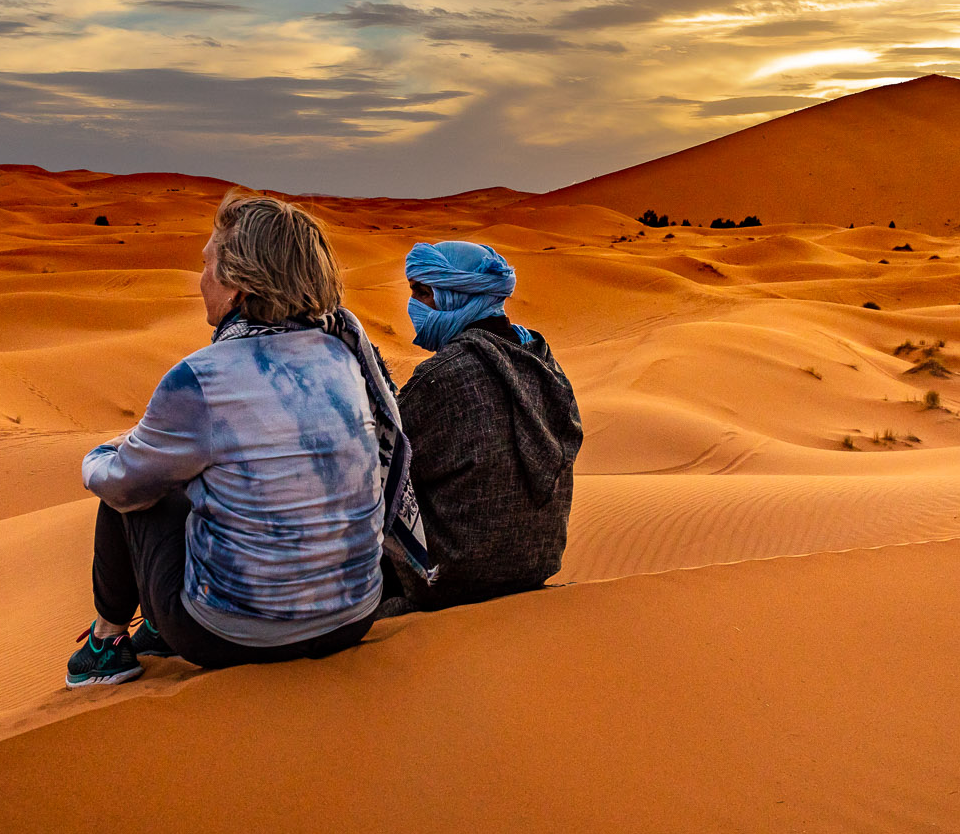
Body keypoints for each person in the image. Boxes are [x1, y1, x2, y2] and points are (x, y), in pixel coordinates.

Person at [67, 192, 433, 685]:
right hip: (353, 618)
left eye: (208, 264)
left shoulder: (200, 378)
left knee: (130, 495)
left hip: (225, 634)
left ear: (238, 283)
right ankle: (152, 627)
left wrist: (101, 454)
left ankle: (106, 644)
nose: (200, 280)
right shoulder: (348, 358)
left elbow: (122, 482)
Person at [384, 240, 582, 613]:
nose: (413, 306)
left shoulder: (442, 377)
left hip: (453, 578)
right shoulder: (543, 362)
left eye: (421, 292)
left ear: (454, 294)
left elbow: (384, 457)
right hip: (535, 564)